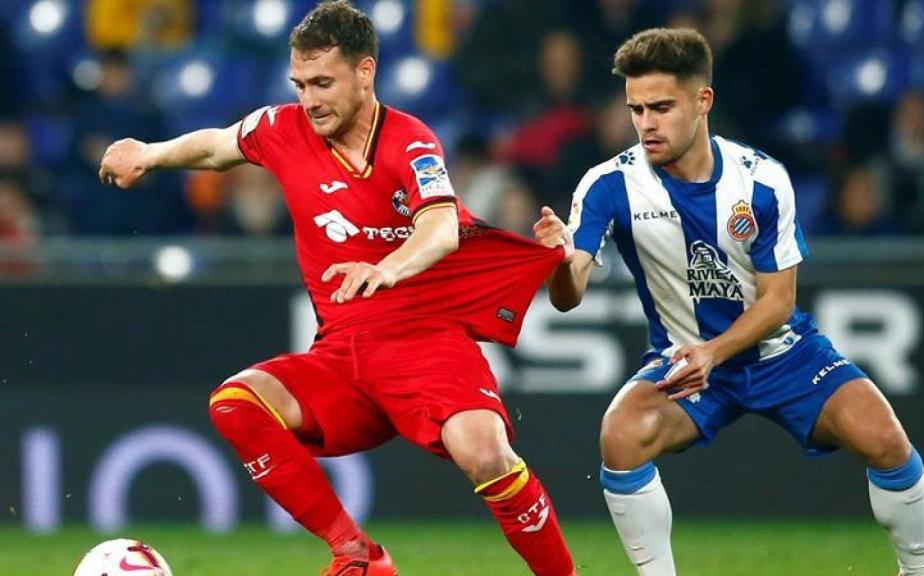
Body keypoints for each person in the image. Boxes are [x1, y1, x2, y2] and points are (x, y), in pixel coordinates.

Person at [97, 3, 577, 576]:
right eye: (300, 84)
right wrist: (150, 154)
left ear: (365, 72)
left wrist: (390, 268)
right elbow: (216, 147)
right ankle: (357, 554)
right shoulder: (281, 129)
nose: (310, 99)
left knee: (486, 453)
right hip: (343, 355)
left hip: (426, 342)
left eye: (323, 82)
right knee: (236, 403)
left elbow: (441, 226)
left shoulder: (410, 141)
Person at [533, 28, 924, 576]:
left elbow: (778, 302)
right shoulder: (608, 185)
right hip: (685, 362)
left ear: (703, 102)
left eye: (661, 107)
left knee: (885, 438)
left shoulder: (762, 180)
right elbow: (568, 293)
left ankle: (921, 573)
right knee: (620, 435)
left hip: (780, 352)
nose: (646, 123)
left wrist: (714, 352)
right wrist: (557, 263)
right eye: (636, 109)